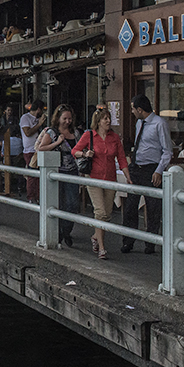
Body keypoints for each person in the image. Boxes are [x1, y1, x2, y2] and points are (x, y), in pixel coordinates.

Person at [73, 107, 128, 259]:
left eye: (109, 118)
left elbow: (121, 158)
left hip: (110, 179)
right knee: (100, 212)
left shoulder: (114, 138)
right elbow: (74, 151)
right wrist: (85, 153)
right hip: (94, 178)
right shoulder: (89, 135)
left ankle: (95, 237)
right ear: (98, 121)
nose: (108, 121)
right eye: (105, 119)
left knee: (107, 214)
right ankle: (102, 248)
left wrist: (128, 177)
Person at [122, 94, 171, 254]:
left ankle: (151, 242)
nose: (132, 111)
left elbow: (167, 151)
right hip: (137, 167)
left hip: (151, 168)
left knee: (153, 208)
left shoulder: (159, 124)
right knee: (130, 206)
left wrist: (159, 170)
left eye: (133, 108)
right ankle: (128, 240)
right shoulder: (139, 123)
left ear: (140, 109)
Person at [37, 104, 81, 247]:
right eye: (64, 118)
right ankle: (59, 232)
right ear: (58, 118)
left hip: (73, 171)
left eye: (69, 118)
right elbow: (41, 148)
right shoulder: (52, 132)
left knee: (72, 203)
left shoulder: (76, 132)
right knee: (58, 203)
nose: (67, 121)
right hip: (57, 170)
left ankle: (66, 230)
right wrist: (57, 143)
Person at [19, 99, 47, 200]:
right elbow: (28, 132)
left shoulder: (38, 119)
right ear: (38, 109)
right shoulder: (25, 118)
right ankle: (31, 196)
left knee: (40, 174)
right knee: (32, 174)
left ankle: (39, 196)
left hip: (40, 148)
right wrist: (39, 124)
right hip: (29, 149)